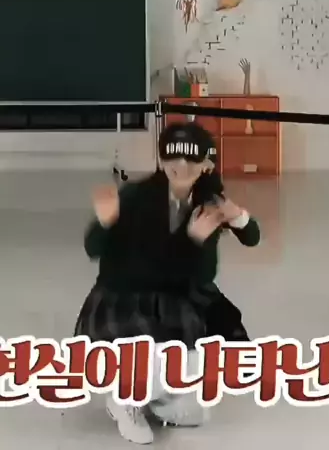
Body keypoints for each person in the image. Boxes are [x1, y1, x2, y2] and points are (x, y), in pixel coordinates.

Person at [74, 122, 261, 444]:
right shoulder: (136, 196)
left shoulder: (208, 204)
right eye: (172, 158)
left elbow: (228, 254)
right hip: (128, 297)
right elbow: (99, 250)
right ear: (161, 160)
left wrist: (237, 217)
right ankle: (125, 397)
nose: (181, 166)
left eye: (191, 159)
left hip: (178, 298)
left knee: (195, 406)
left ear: (206, 165)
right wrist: (105, 224)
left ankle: (154, 395)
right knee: (155, 356)